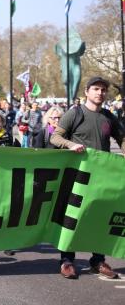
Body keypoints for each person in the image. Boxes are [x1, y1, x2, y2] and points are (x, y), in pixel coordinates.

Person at [49, 76, 125, 280]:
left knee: (99, 216)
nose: (100, 93)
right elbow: (55, 137)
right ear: (87, 92)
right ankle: (66, 260)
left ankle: (97, 261)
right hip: (78, 176)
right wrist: (71, 145)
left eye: (103, 90)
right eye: (96, 89)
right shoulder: (75, 113)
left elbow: (122, 138)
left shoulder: (108, 116)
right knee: (72, 217)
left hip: (102, 177)